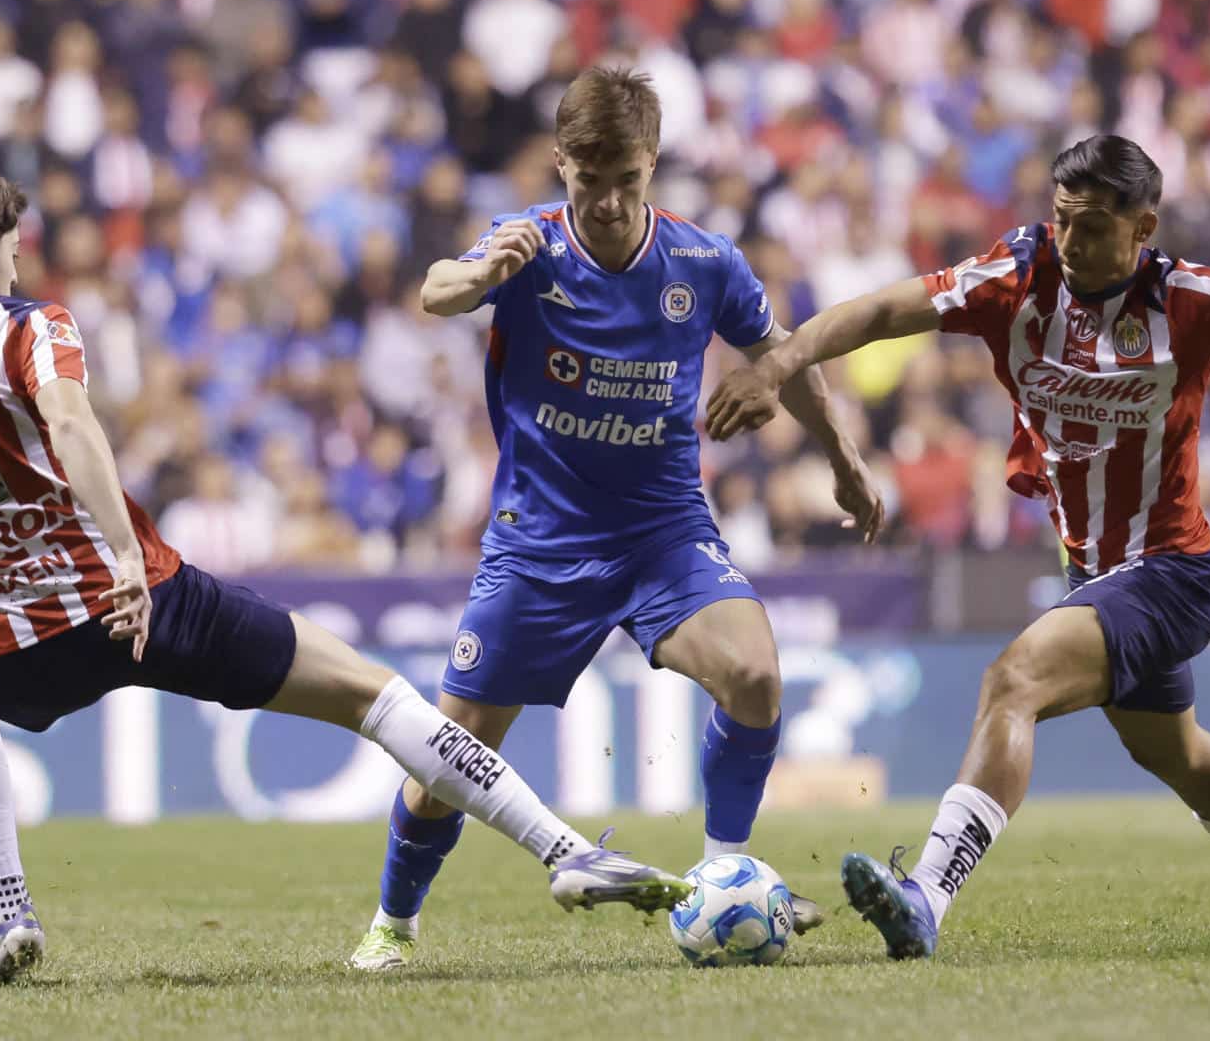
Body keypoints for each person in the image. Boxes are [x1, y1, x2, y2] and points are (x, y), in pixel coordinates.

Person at [0, 167, 693, 984]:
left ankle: (12, 910)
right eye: (9, 244)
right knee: (371, 692)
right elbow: (71, 423)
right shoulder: (26, 328)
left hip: (10, 650)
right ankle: (564, 851)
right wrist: (118, 562)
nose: (18, 259)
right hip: (141, 602)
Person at [706, 134, 1210, 958]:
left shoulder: (1186, 297)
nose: (1071, 240)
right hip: (1092, 572)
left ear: (1143, 228)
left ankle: (924, 897)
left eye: (1093, 226)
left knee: (1012, 680)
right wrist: (777, 367)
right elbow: (879, 312)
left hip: (1173, 573)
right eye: (1062, 219)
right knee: (1175, 752)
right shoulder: (1015, 278)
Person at [347, 67, 884, 971]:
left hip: (663, 532)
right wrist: (482, 271)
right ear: (560, 162)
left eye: (625, 180)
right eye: (587, 179)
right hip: (541, 542)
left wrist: (843, 460)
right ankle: (392, 924)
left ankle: (722, 875)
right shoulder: (529, 246)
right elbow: (437, 291)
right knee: (446, 760)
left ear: (653, 162)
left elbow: (781, 357)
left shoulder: (704, 263)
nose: (605, 202)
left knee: (754, 674)